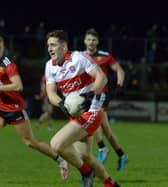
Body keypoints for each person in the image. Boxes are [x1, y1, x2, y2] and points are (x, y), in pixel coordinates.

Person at [0, 34, 69, 183]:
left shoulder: (8, 64)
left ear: (3, 48)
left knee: (30, 142)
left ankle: (61, 161)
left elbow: (18, 86)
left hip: (15, 109)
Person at [45, 30, 120, 187]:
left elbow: (102, 77)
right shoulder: (49, 66)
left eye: (53, 45)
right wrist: (60, 103)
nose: (50, 48)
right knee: (85, 156)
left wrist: (90, 96)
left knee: (56, 144)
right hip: (75, 114)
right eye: (48, 46)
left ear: (64, 46)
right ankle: (111, 184)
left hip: (91, 111)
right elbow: (51, 93)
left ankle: (86, 172)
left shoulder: (78, 58)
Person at [83, 28, 128, 171]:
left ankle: (102, 148)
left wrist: (119, 86)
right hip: (87, 96)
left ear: (97, 42)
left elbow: (120, 70)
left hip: (101, 95)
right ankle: (121, 155)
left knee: (93, 120)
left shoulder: (105, 56)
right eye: (89, 39)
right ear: (85, 41)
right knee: (107, 130)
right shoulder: (80, 56)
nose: (91, 42)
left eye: (94, 40)